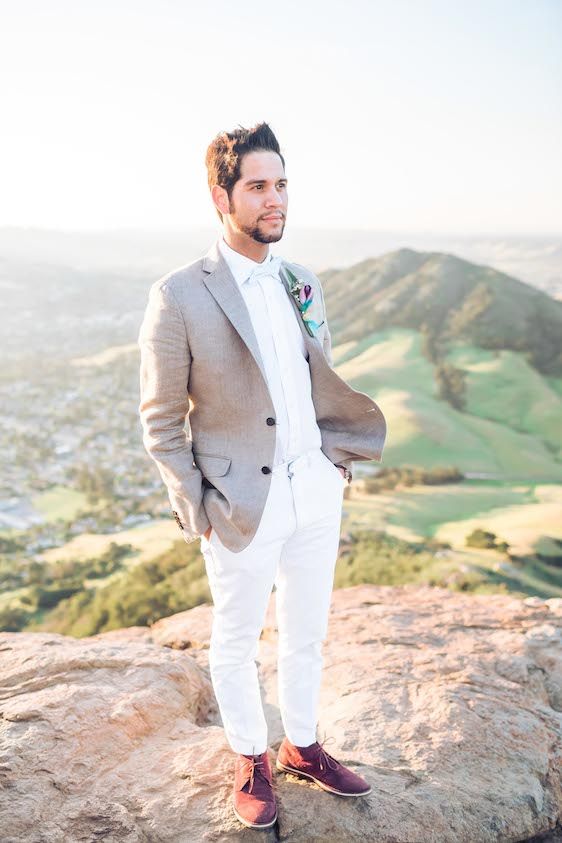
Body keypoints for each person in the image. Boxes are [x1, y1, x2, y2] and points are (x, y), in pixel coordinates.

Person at [138, 122, 387, 829]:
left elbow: (319, 376)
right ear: (221, 195)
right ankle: (250, 755)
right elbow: (159, 421)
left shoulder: (300, 279)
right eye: (258, 186)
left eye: (281, 184)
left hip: (316, 484)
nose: (274, 199)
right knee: (238, 637)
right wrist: (201, 507)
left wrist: (336, 461)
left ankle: (302, 744)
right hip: (240, 499)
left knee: (307, 631)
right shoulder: (180, 294)